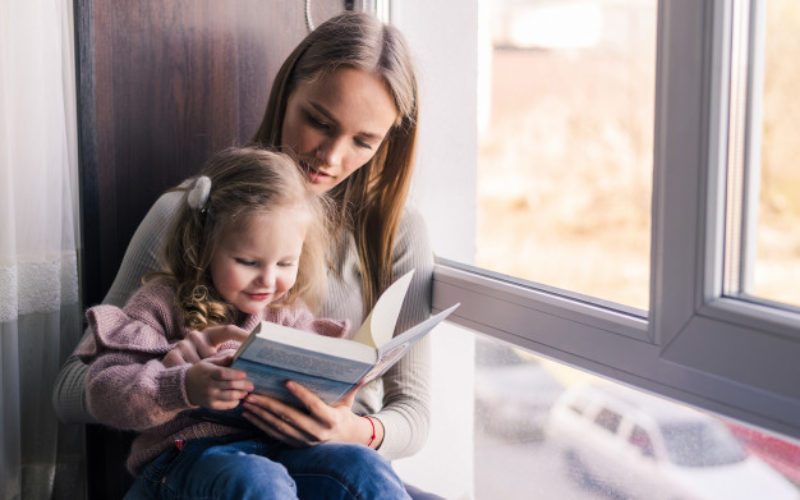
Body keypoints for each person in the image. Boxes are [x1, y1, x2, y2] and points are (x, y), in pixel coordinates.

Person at [53, 11, 438, 499]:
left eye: (364, 141)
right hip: (205, 466)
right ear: (285, 95)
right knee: (256, 482)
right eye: (318, 121)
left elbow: (414, 412)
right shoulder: (191, 211)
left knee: (367, 475)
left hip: (326, 463)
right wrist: (176, 379)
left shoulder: (397, 233)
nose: (332, 157)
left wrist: (354, 430)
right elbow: (70, 389)